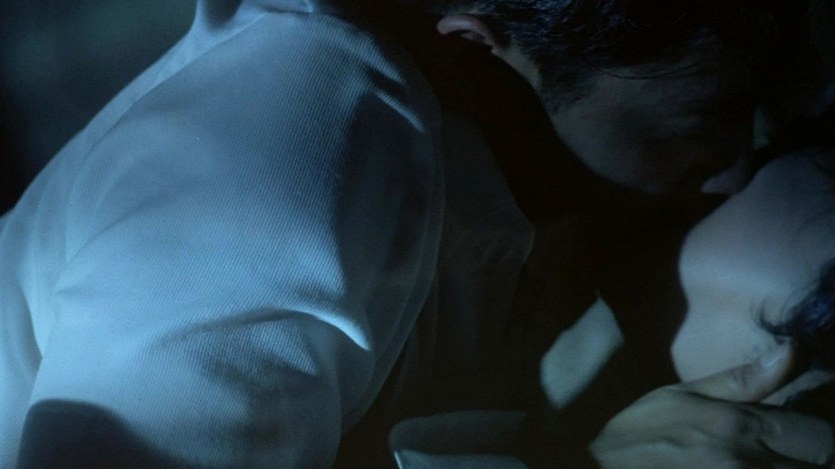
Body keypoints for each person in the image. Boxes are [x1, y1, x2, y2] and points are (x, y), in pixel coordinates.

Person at [0, 0, 828, 467]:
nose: (729, 173)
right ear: (482, 51)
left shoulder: (505, 211)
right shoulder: (287, 159)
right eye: (699, 121)